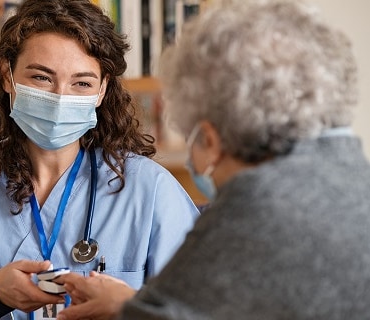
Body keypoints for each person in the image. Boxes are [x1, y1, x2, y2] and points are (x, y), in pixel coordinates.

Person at [56, 0, 370, 319]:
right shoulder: (353, 175)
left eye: (192, 136)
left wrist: (125, 311)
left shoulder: (252, 210)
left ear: (210, 140)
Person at [0, 0, 200, 319]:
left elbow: (207, 310)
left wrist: (130, 308)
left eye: (82, 83)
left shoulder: (150, 189)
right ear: (7, 75)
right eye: (42, 78)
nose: (60, 97)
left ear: (102, 90)